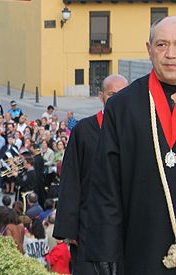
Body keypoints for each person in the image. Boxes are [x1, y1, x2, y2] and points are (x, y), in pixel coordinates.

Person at [85, 16, 176, 274]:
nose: (171, 54)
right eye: (162, 45)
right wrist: (105, 249)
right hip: (139, 248)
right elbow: (106, 186)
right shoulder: (121, 107)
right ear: (149, 49)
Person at [53, 74, 127, 275]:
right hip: (88, 224)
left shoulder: (135, 130)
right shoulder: (84, 131)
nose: (118, 99)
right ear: (101, 96)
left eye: (123, 94)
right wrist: (69, 228)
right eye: (112, 94)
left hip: (126, 225)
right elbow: (71, 179)